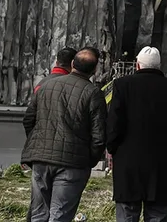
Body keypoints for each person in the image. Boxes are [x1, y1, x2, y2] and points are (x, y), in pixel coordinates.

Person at [106, 46, 167, 222]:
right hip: (162, 164)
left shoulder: (122, 85)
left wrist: (113, 148)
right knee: (158, 214)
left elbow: (114, 123)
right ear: (159, 66)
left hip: (128, 164)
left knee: (127, 213)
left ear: (137, 65)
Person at [21, 47, 107, 222]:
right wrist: (89, 160)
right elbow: (99, 135)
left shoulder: (46, 85)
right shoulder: (93, 93)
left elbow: (28, 119)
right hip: (73, 164)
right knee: (60, 215)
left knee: (38, 214)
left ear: (73, 64)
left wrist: (38, 143)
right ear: (94, 70)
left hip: (41, 159)